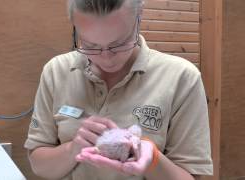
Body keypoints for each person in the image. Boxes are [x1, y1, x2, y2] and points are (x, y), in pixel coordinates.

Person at [24, 0, 213, 179]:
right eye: (90, 45)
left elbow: (190, 176)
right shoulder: (56, 71)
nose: (106, 58)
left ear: (139, 15)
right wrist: (73, 148)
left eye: (119, 43)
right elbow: (39, 165)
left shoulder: (182, 78)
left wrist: (152, 158)